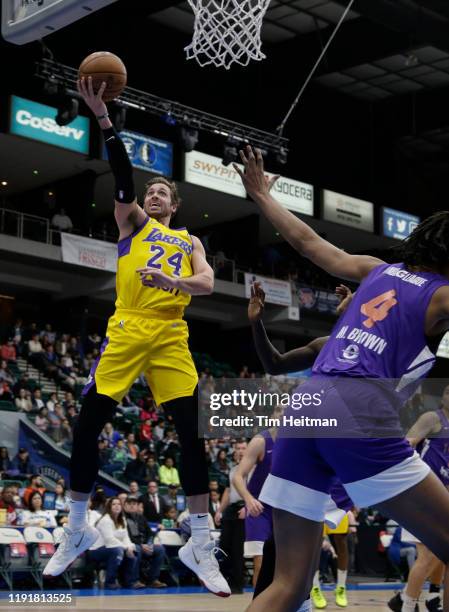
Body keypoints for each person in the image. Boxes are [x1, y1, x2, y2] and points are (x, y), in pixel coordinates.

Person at [235, 146, 449, 612]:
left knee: (288, 583)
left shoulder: (377, 270)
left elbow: (312, 245)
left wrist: (262, 197)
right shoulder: (441, 297)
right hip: (359, 407)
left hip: (306, 404)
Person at [44, 76, 229, 597]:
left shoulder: (189, 240)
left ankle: (199, 539)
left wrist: (174, 281)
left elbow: (208, 283)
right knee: (89, 424)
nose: (153, 193)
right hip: (128, 327)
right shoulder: (133, 226)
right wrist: (103, 117)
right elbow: (121, 173)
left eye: (162, 191)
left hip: (172, 333)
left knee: (194, 433)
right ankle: (77, 527)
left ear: (175, 204)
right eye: (150, 191)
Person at [389, 385, 449, 612]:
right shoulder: (433, 418)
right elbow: (407, 443)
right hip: (420, 492)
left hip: (441, 495)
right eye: (445, 391)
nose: (447, 395)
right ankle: (407, 604)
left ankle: (417, 597)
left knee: (441, 551)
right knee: (426, 554)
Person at [215, 440, 247, 594]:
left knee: (237, 549)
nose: (240, 451)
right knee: (224, 545)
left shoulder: (254, 469)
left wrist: (248, 506)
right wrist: (219, 510)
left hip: (246, 508)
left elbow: (256, 490)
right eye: (238, 449)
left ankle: (237, 584)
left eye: (243, 448)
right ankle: (224, 580)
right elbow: (228, 492)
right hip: (231, 509)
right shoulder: (232, 470)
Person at [87, 497, 140, 589]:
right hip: (96, 550)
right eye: (114, 504)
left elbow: (126, 537)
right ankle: (110, 582)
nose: (117, 506)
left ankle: (129, 581)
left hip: (112, 547)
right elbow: (109, 540)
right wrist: (126, 548)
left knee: (136, 549)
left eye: (119, 504)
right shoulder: (105, 520)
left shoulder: (122, 519)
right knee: (117, 550)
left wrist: (130, 547)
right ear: (109, 507)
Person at [123, 496, 166, 588]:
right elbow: (127, 536)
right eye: (129, 504)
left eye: (134, 504)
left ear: (138, 506)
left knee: (160, 550)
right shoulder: (122, 518)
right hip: (131, 545)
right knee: (137, 549)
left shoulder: (141, 517)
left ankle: (153, 580)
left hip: (145, 545)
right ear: (125, 506)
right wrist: (141, 545)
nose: (131, 506)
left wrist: (149, 544)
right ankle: (134, 580)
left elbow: (150, 533)